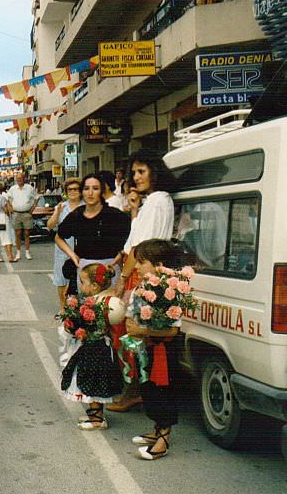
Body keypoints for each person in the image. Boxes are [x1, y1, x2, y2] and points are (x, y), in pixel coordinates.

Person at [109, 150, 175, 413]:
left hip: (141, 270)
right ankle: (136, 389)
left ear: (154, 172)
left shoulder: (158, 200)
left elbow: (139, 248)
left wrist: (123, 279)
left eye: (141, 171)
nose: (136, 177)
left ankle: (134, 391)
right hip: (142, 268)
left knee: (130, 334)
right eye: (133, 173)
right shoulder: (154, 201)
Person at [126, 239, 186, 460]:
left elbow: (172, 331)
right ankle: (156, 430)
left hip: (163, 351)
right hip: (146, 348)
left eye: (142, 262)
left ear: (159, 265)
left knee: (164, 391)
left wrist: (142, 331)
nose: (137, 266)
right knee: (148, 389)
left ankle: (164, 437)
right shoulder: (143, 288)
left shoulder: (170, 290)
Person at [59, 263, 125, 430]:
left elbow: (92, 326)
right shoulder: (98, 301)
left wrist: (73, 325)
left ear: (95, 286)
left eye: (83, 282)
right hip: (94, 348)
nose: (80, 285)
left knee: (94, 381)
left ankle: (97, 418)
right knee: (91, 379)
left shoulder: (100, 304)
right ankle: (95, 414)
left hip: (96, 349)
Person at [55, 173, 131, 290]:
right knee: (85, 306)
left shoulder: (114, 214)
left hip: (110, 269)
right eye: (86, 188)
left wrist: (121, 254)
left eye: (95, 188)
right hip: (84, 270)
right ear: (82, 192)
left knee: (109, 306)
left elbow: (132, 236)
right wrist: (73, 255)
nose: (90, 193)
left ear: (102, 191)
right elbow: (58, 237)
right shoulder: (77, 215)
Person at [47, 178, 82, 308]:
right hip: (63, 247)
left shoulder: (86, 206)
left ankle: (78, 308)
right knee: (61, 279)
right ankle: (63, 308)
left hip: (81, 248)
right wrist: (57, 213)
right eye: (70, 190)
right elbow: (50, 226)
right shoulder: (61, 206)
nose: (73, 192)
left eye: (76, 189)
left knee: (80, 278)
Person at [8, 173, 38, 261]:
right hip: (16, 213)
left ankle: (27, 252)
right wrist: (10, 208)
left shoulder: (29, 188)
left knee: (27, 233)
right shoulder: (12, 189)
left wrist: (32, 208)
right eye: (18, 178)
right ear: (16, 180)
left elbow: (36, 198)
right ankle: (18, 252)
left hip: (26, 213)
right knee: (17, 234)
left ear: (24, 179)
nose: (19, 180)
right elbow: (8, 199)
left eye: (21, 178)